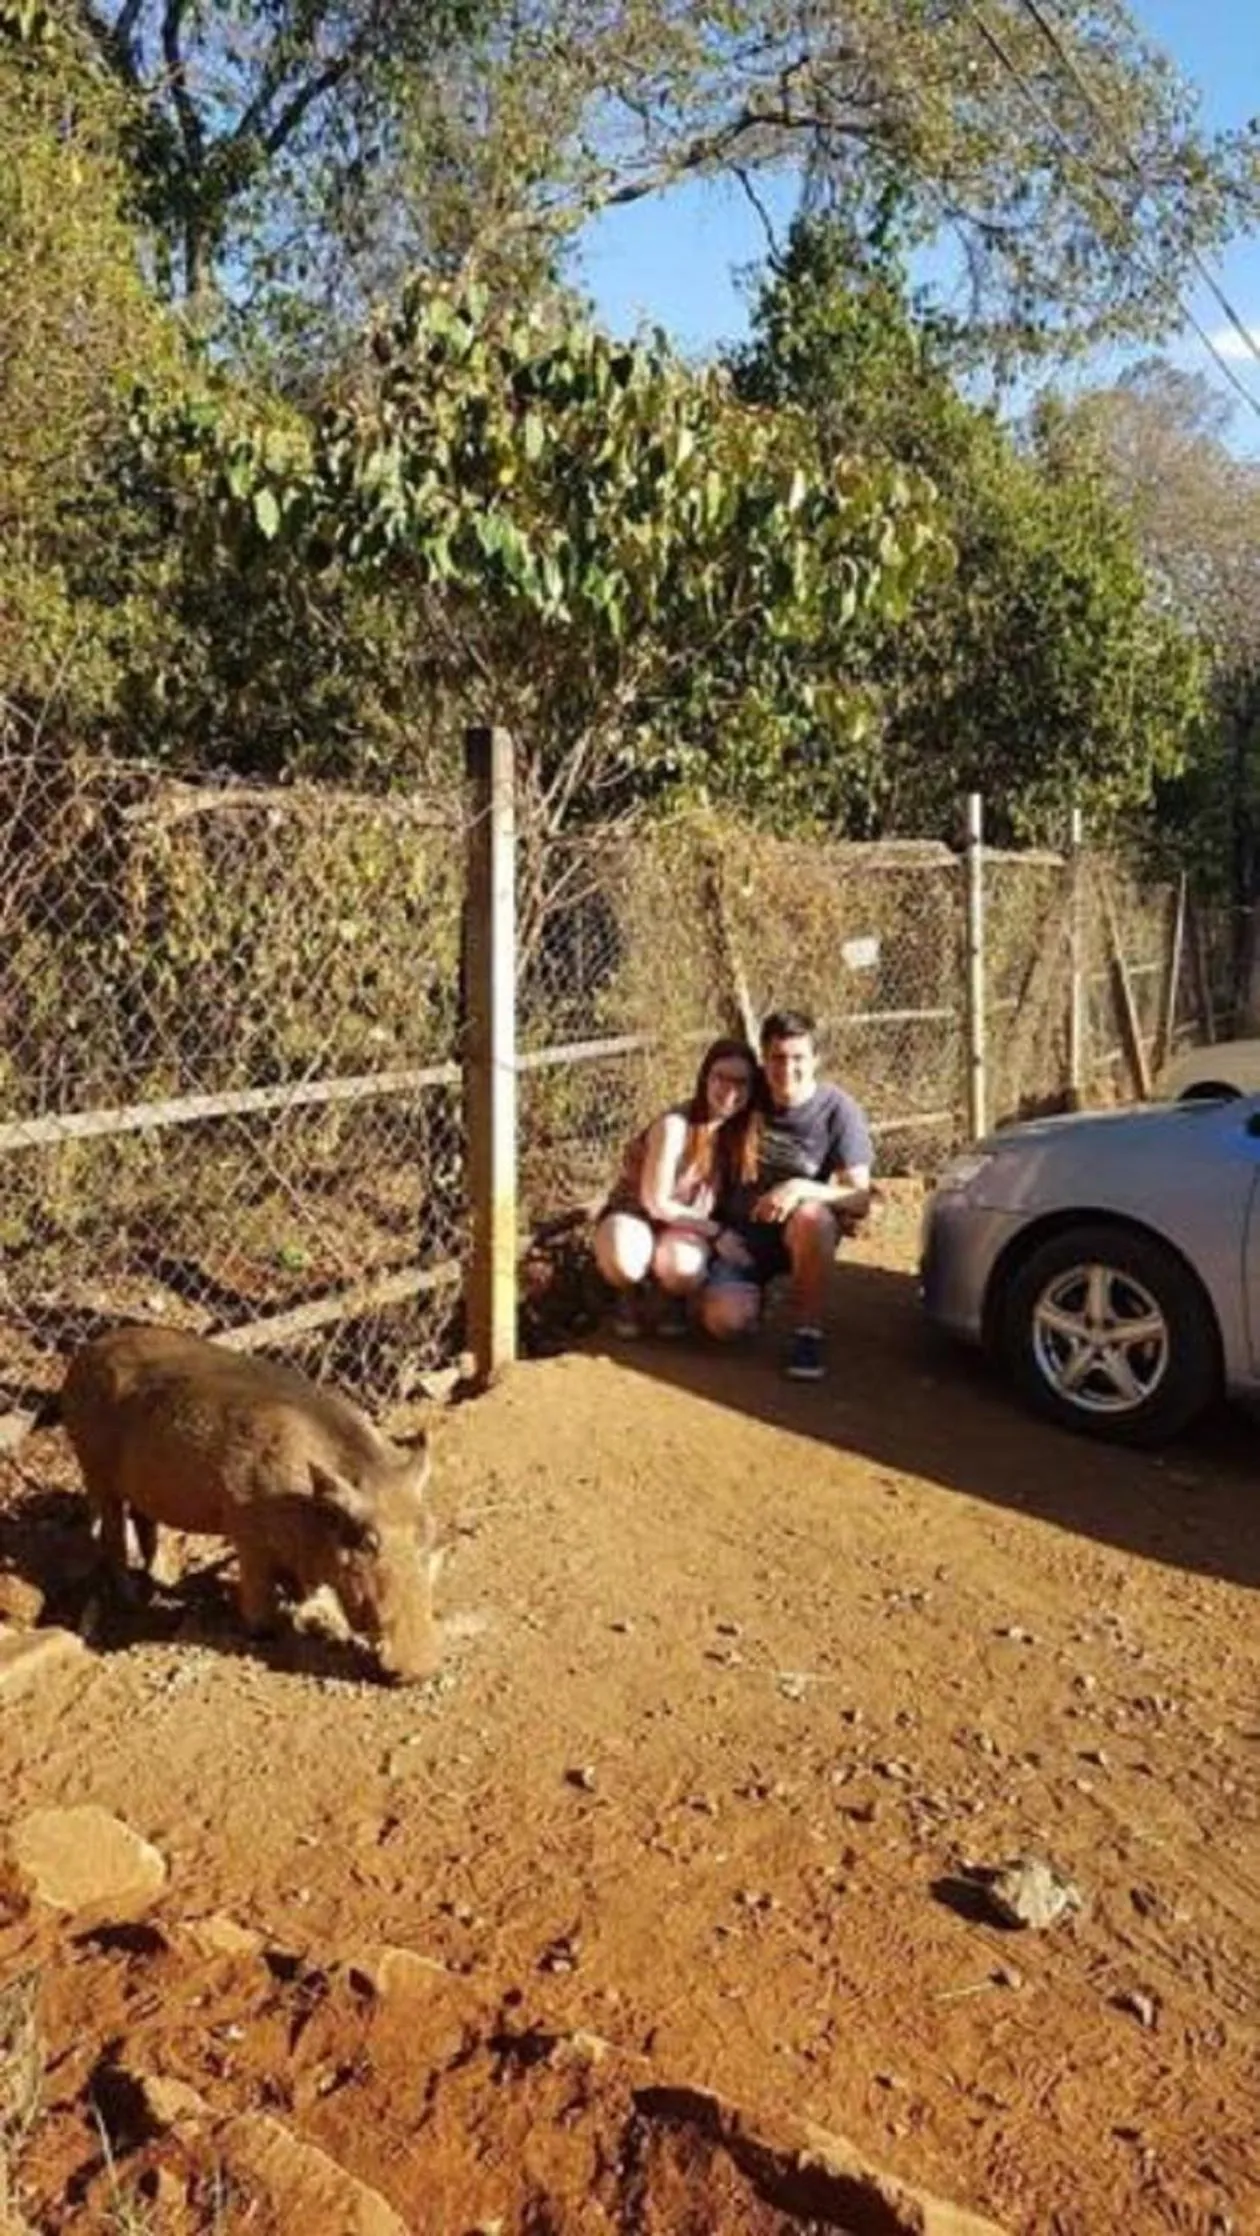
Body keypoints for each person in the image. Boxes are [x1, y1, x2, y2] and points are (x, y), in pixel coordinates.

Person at [698, 1008, 872, 1382]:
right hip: (741, 1238)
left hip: (799, 1236)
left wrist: (799, 1188)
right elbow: (698, 1113)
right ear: (764, 1057)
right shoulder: (747, 1091)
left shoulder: (838, 1109)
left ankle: (807, 1332)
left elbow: (860, 1198)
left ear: (816, 1060)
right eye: (777, 1057)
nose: (787, 1068)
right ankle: (746, 1296)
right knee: (725, 1323)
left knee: (813, 1216)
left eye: (798, 1058)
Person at [595, 1037, 760, 1337]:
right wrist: (718, 1233)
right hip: (636, 1216)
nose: (730, 1090)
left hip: (683, 1228)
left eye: (741, 1082)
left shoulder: (740, 1134)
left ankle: (670, 1296)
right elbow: (655, 1202)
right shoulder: (675, 1125)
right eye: (720, 1078)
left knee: (686, 1266)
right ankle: (627, 1293)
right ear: (704, 1078)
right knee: (623, 1253)